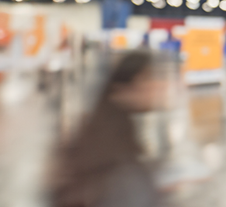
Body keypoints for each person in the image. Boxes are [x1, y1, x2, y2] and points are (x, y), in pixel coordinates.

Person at [50, 50, 165, 207]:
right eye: (151, 77)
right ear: (135, 82)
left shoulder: (108, 119)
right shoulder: (121, 161)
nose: (159, 86)